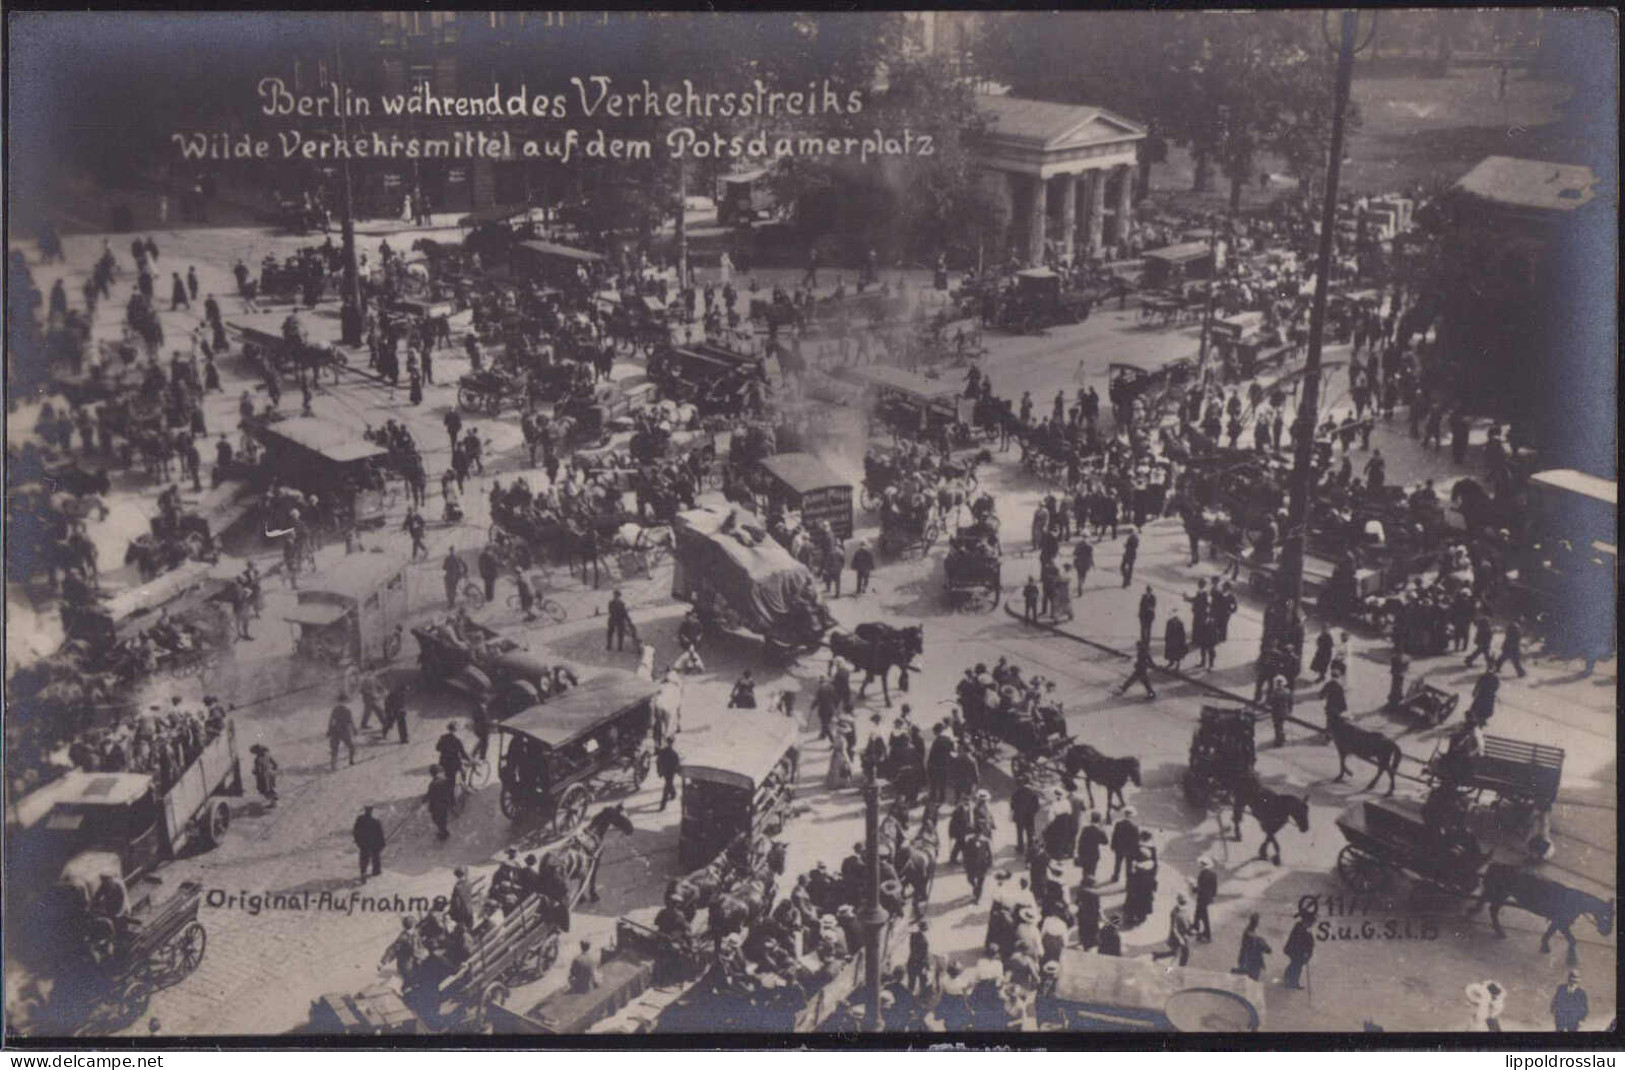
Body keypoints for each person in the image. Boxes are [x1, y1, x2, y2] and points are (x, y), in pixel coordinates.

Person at [1151, 893, 1190, 967]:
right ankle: (1177, 969)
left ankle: (1157, 955)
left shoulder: (1186, 910)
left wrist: (1191, 929)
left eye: (1184, 902)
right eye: (1182, 902)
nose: (1183, 904)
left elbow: (1188, 921)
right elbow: (1174, 928)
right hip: (1176, 938)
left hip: (1184, 936)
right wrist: (1180, 939)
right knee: (1179, 954)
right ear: (1178, 902)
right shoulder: (1174, 912)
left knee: (1178, 953)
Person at [1231, 913, 1271, 981]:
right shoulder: (1256, 938)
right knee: (1252, 979)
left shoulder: (1248, 931)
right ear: (1257, 923)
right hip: (1253, 963)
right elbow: (1268, 950)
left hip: (1244, 959)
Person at [1283, 907, 1316, 989]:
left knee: (1295, 965)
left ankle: (1290, 980)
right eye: (1310, 923)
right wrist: (1304, 952)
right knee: (1296, 966)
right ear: (1306, 921)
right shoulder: (1300, 929)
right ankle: (1292, 982)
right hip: (1295, 951)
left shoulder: (1302, 927)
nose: (1311, 925)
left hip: (1296, 951)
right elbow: (1298, 942)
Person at [353, 805, 385, 881]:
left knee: (364, 859)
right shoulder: (375, 822)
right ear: (371, 811)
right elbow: (380, 834)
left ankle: (363, 873)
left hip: (364, 844)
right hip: (373, 844)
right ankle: (376, 872)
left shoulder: (360, 819)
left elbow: (356, 831)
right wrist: (382, 843)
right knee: (375, 857)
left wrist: (358, 841)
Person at [1108, 807, 1139, 883]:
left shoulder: (1118, 824)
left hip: (1119, 847)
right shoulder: (1134, 826)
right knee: (1129, 865)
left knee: (1118, 863)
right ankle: (1129, 880)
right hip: (1129, 849)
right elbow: (1136, 840)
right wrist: (1136, 850)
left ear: (1125, 814)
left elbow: (1114, 835)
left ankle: (1116, 877)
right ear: (1131, 816)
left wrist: (1113, 845)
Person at [1076, 811, 1108, 882]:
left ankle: (1084, 881)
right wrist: (1103, 830)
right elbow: (1105, 842)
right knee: (1092, 870)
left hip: (1084, 852)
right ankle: (1090, 883)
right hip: (1094, 853)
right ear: (1099, 820)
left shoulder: (1085, 829)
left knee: (1085, 869)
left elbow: (1080, 841)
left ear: (1091, 819)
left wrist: (1079, 852)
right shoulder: (1099, 831)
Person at [1191, 857, 1218, 942]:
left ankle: (1207, 934)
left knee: (1204, 917)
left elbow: (1200, 889)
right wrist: (1212, 896)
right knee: (1198, 913)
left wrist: (1193, 886)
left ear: (1203, 865)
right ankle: (1195, 927)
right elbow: (1214, 888)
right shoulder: (1213, 874)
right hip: (1207, 898)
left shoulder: (1202, 874)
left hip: (1202, 898)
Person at [328, 695, 357, 770]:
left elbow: (331, 721)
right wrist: (354, 730)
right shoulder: (347, 710)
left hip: (335, 730)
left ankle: (333, 765)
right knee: (352, 746)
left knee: (334, 748)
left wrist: (330, 730)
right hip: (345, 730)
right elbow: (351, 722)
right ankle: (351, 760)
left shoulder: (335, 709)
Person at [426, 767, 455, 840]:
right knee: (443, 818)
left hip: (436, 806)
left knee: (436, 819)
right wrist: (452, 803)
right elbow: (450, 792)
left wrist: (425, 801)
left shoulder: (432, 784)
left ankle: (443, 832)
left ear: (432, 774)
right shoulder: (445, 781)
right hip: (445, 803)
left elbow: (430, 795)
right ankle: (443, 831)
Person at [656, 737, 681, 811]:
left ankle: (663, 805)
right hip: (666, 772)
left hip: (670, 772)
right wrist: (659, 771)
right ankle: (673, 793)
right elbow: (659, 762)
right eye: (669, 743)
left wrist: (676, 770)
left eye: (671, 743)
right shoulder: (667, 752)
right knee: (669, 784)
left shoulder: (673, 753)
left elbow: (677, 764)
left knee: (667, 787)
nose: (670, 744)